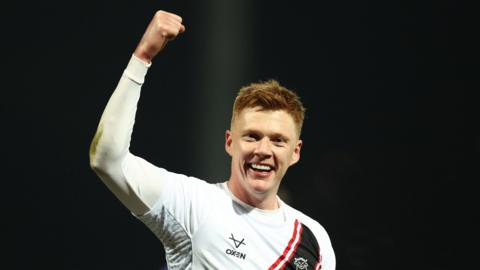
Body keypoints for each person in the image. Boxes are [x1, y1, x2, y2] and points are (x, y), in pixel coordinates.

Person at [89, 10, 336, 270]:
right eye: (252, 136)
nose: (263, 150)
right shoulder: (195, 204)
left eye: (278, 141)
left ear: (295, 152)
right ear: (230, 142)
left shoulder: (314, 239)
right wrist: (142, 57)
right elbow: (107, 160)